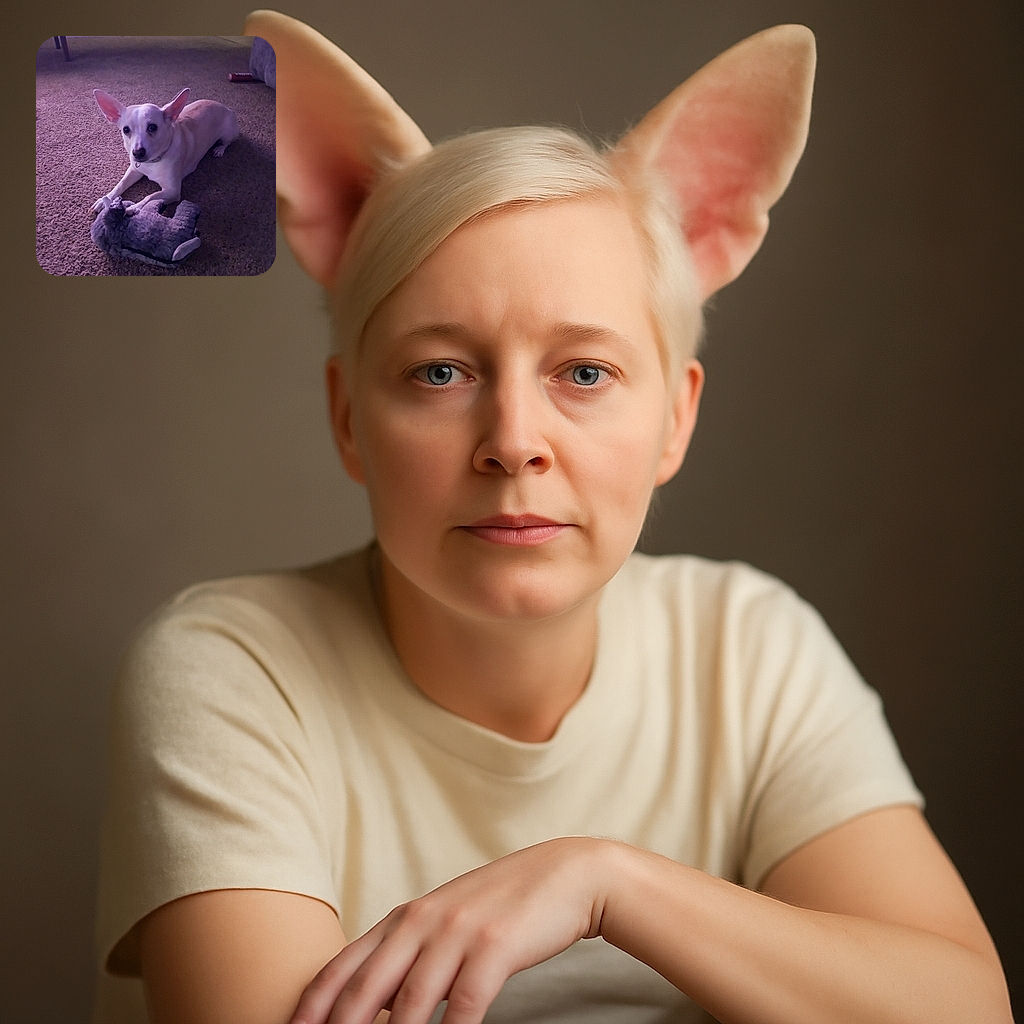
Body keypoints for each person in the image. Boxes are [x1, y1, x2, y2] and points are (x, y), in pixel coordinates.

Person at [92, 11, 1012, 1024]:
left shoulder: (752, 652)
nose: (513, 440)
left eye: (584, 371)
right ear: (349, 419)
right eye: (440, 371)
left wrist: (610, 884)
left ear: (674, 419)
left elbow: (963, 1007)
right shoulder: (234, 669)